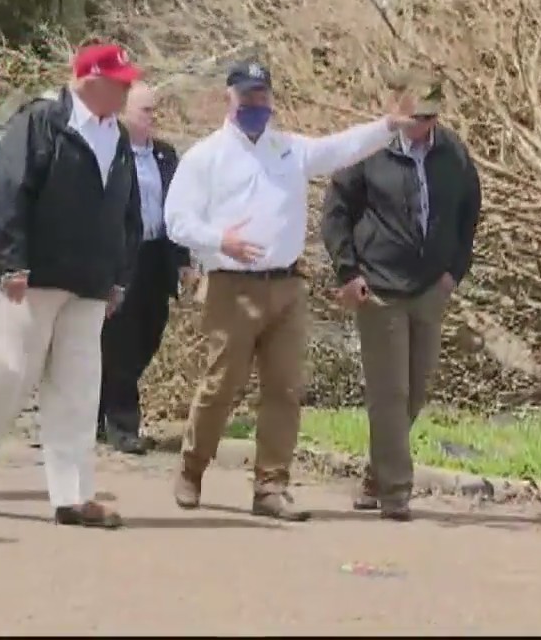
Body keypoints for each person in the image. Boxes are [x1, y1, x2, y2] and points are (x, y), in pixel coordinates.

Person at [162, 60, 425, 521]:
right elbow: (176, 220)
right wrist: (219, 240)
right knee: (221, 385)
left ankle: (271, 485)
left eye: (261, 96)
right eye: (246, 97)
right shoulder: (205, 157)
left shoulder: (289, 150)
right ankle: (192, 467)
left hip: (285, 286)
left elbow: (340, 148)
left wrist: (387, 126)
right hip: (231, 287)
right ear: (229, 99)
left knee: (284, 388)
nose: (254, 105)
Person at [0, 44, 143, 529]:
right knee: (13, 376)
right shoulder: (41, 121)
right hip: (32, 278)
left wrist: (121, 273)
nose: (126, 90)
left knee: (78, 389)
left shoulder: (115, 136)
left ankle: (73, 496)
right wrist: (12, 261)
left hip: (90, 281)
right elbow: (10, 190)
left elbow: (128, 211)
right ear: (88, 80)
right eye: (118, 81)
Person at [321, 73, 481, 521]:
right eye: (413, 116)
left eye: (428, 117)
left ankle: (376, 475)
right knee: (390, 393)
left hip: (431, 287)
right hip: (379, 288)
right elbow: (335, 213)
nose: (420, 126)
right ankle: (396, 492)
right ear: (397, 109)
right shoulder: (369, 152)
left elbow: (470, 214)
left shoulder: (453, 155)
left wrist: (455, 271)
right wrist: (348, 271)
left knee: (416, 391)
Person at [97, 82, 195, 455]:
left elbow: (178, 210)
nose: (153, 117)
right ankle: (122, 424)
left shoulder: (166, 156)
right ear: (124, 112)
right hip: (123, 256)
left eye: (156, 110)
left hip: (157, 257)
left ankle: (100, 409)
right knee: (119, 340)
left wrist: (184, 262)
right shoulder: (111, 153)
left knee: (149, 336)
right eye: (146, 110)